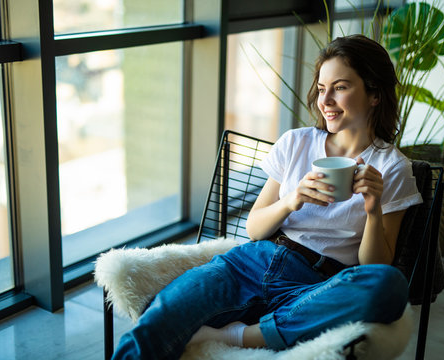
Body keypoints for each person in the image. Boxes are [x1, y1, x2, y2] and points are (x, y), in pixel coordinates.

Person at [111, 34, 423, 360]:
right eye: (321, 88)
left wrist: (373, 211)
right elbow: (255, 229)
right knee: (158, 318)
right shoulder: (296, 143)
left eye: (340, 87)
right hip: (252, 263)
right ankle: (255, 328)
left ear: (374, 94)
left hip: (316, 287)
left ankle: (242, 335)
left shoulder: (392, 168)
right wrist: (291, 200)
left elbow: (374, 266)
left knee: (388, 285)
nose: (326, 100)